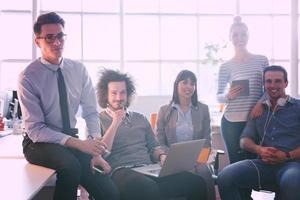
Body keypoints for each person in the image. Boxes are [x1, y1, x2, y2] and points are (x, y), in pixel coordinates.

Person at [17, 12, 119, 200]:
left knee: (109, 192)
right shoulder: (28, 77)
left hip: (69, 139)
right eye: (49, 37)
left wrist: (95, 147)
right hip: (37, 143)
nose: (57, 43)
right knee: (71, 166)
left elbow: (90, 111)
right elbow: (36, 129)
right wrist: (80, 145)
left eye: (60, 36)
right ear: (37, 41)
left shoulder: (78, 70)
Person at [97, 69, 208, 200]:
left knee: (196, 183)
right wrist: (115, 122)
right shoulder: (99, 120)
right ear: (106, 95)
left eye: (123, 92)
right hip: (121, 170)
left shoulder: (140, 118)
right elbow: (101, 154)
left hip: (148, 168)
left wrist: (161, 156)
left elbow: (154, 146)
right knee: (148, 188)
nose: (119, 97)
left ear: (128, 94)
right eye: (114, 93)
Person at [217, 65, 300, 200]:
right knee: (225, 176)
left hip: (291, 165)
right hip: (262, 165)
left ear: (286, 83)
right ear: (264, 84)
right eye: (268, 81)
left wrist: (286, 155)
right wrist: (259, 149)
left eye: (278, 81)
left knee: (292, 181)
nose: (273, 85)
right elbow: (244, 141)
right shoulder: (259, 111)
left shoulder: (298, 107)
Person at [217, 16, 269, 164]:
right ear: (230, 38)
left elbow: (269, 89)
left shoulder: (261, 60)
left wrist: (260, 104)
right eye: (235, 35)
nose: (240, 38)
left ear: (248, 36)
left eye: (243, 34)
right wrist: (227, 96)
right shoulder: (225, 66)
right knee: (236, 165)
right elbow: (218, 96)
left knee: (255, 164)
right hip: (231, 122)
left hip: (255, 120)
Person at [156, 70, 215, 200]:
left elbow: (206, 140)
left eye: (192, 84)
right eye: (185, 82)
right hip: (172, 159)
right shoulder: (164, 110)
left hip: (197, 159)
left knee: (204, 173)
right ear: (177, 84)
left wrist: (198, 160)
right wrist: (168, 156)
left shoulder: (203, 109)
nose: (189, 87)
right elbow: (159, 141)